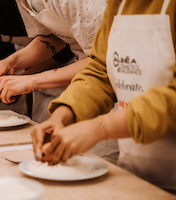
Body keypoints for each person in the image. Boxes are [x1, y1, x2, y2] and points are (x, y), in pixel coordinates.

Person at [31, 0, 176, 194]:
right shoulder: (118, 5)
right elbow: (100, 70)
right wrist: (62, 115)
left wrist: (100, 128)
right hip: (136, 176)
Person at [0, 0, 107, 104]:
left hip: (112, 83)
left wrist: (31, 81)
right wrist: (10, 63)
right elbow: (53, 38)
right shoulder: (24, 2)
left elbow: (104, 60)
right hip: (87, 81)